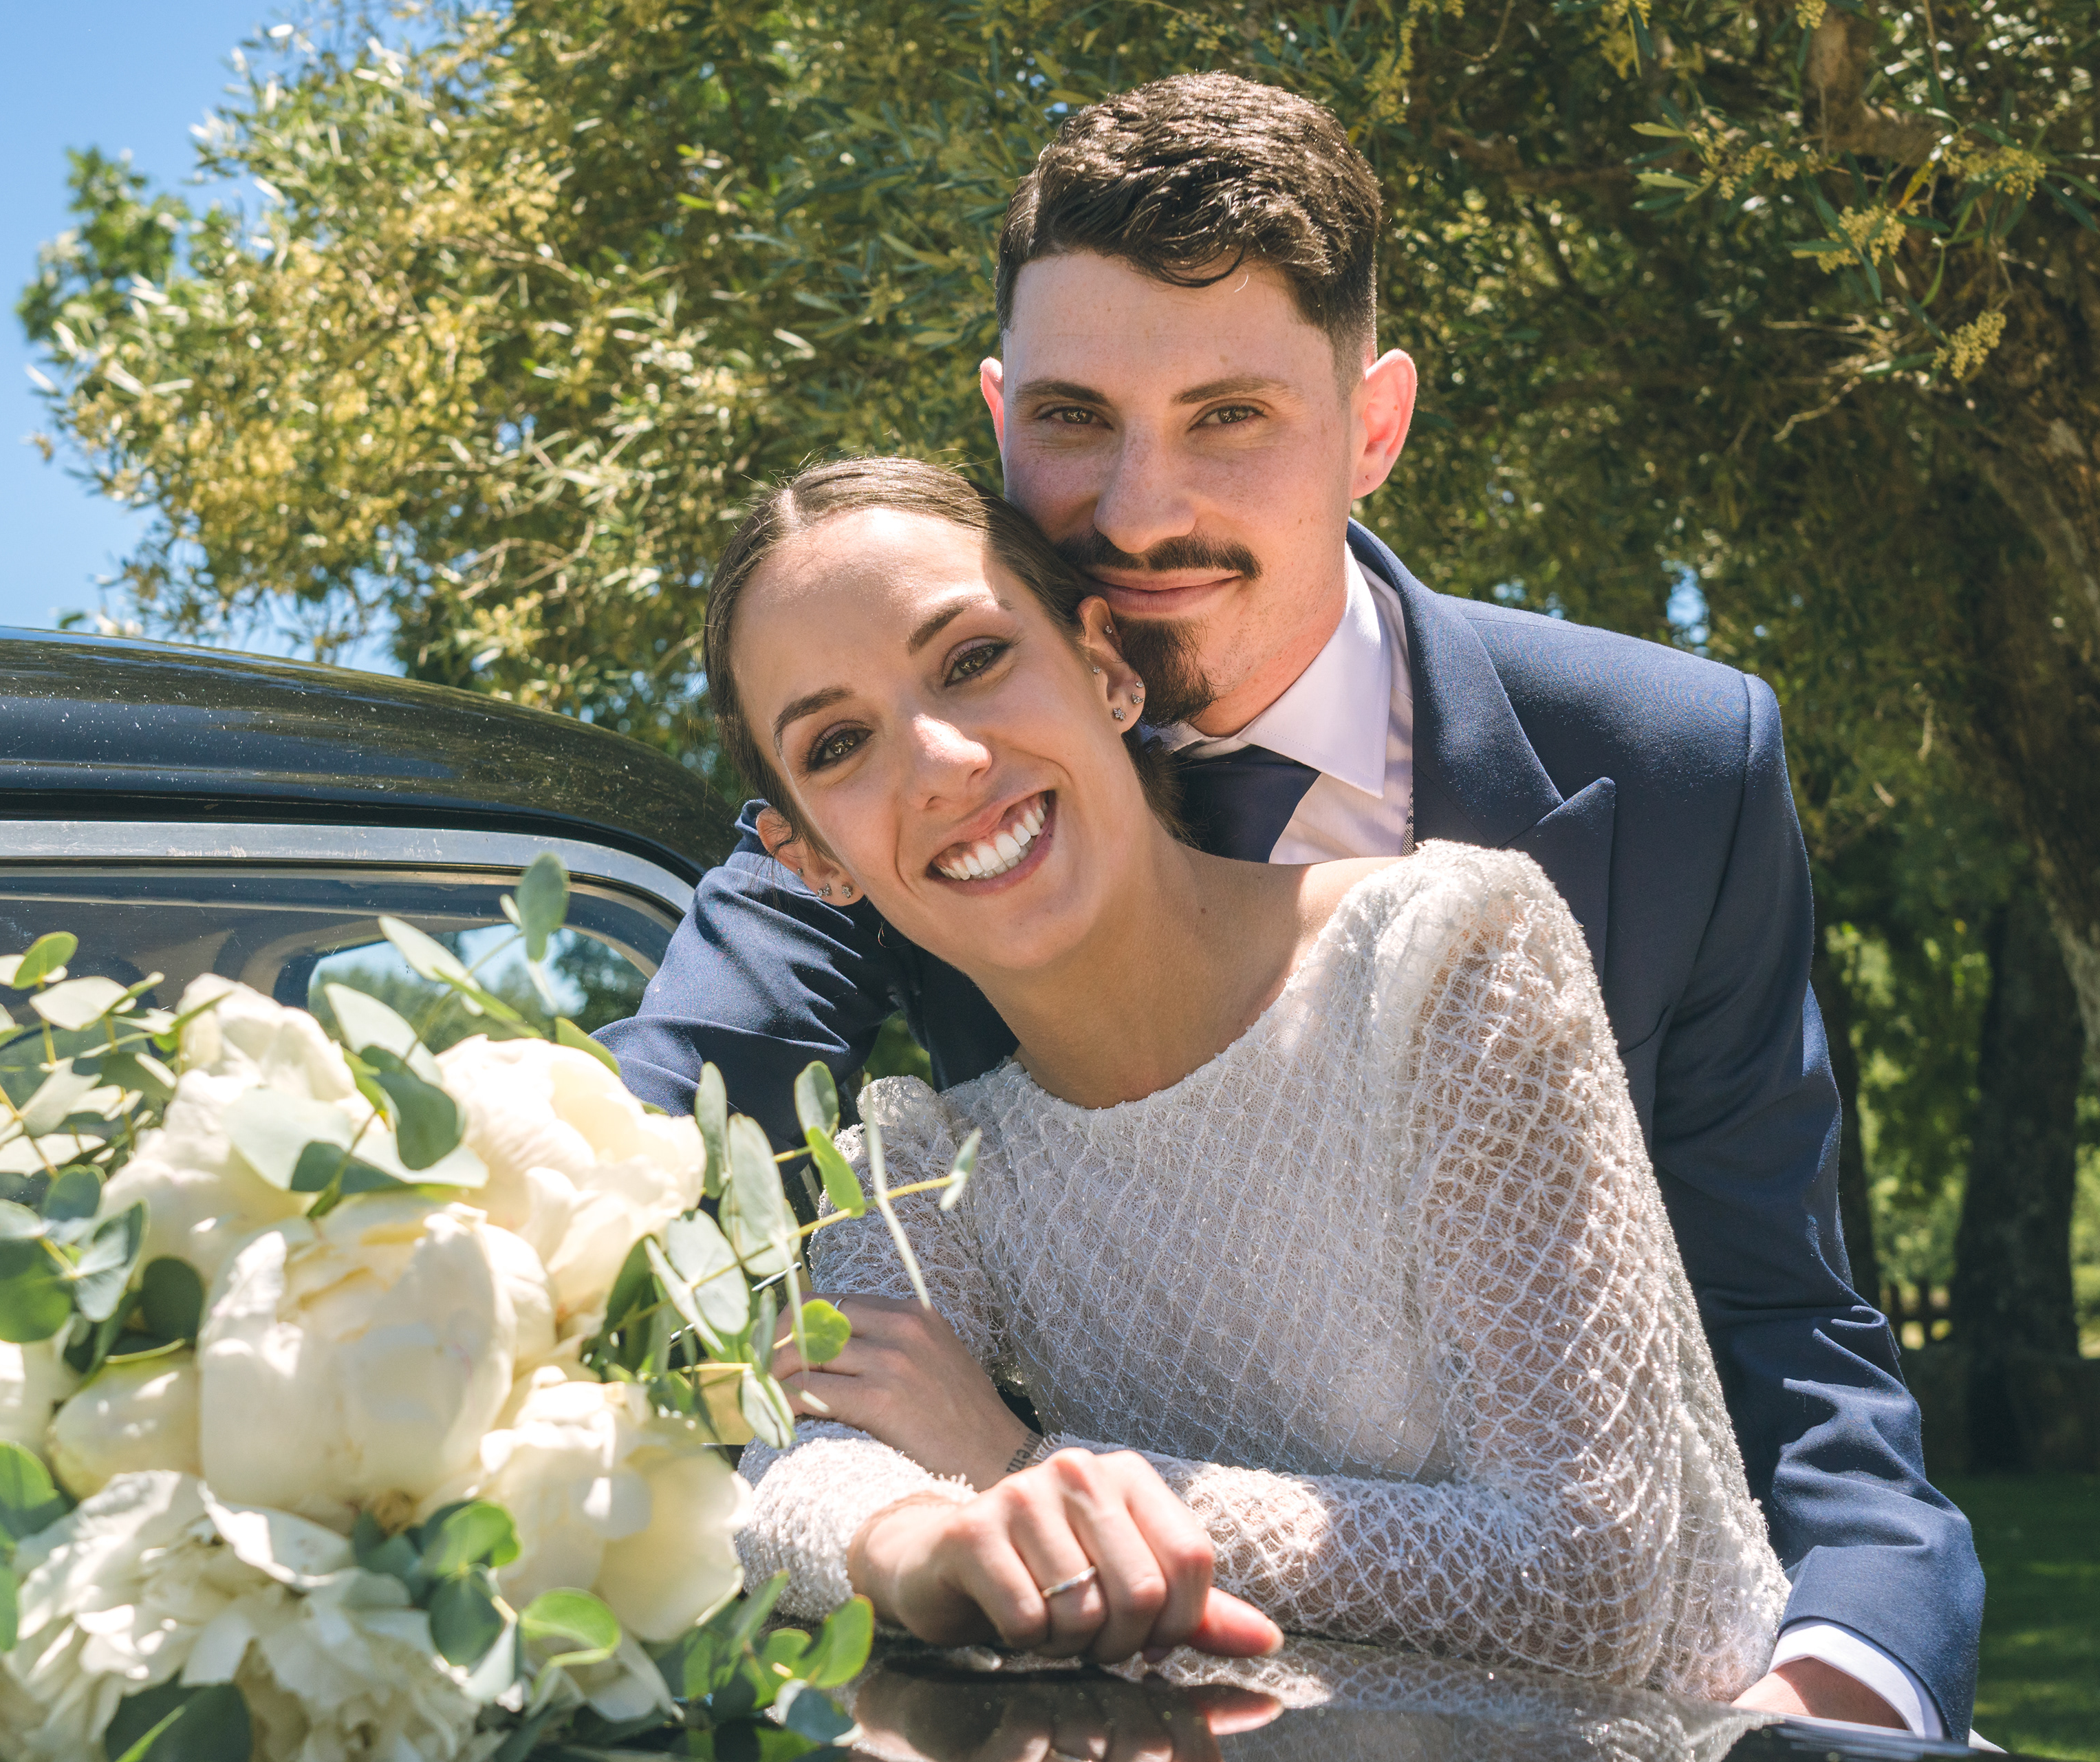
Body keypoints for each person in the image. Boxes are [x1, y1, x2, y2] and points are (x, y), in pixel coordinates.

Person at [598, 72, 1982, 1734]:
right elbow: (628, 1155)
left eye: (1231, 416)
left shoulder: (1661, 774)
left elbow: (1785, 1327)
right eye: (1075, 418)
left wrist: (1827, 1702)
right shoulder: (907, 811)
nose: (1139, 511)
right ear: (999, 415)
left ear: (1373, 427)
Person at [702, 455, 1791, 1698]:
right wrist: (919, 1539)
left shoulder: (1446, 959)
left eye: (973, 659)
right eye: (840, 742)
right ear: (813, 861)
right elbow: (796, 1470)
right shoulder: (931, 1170)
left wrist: (1022, 1471)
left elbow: (1592, 1582)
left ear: (1107, 666)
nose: (942, 760)